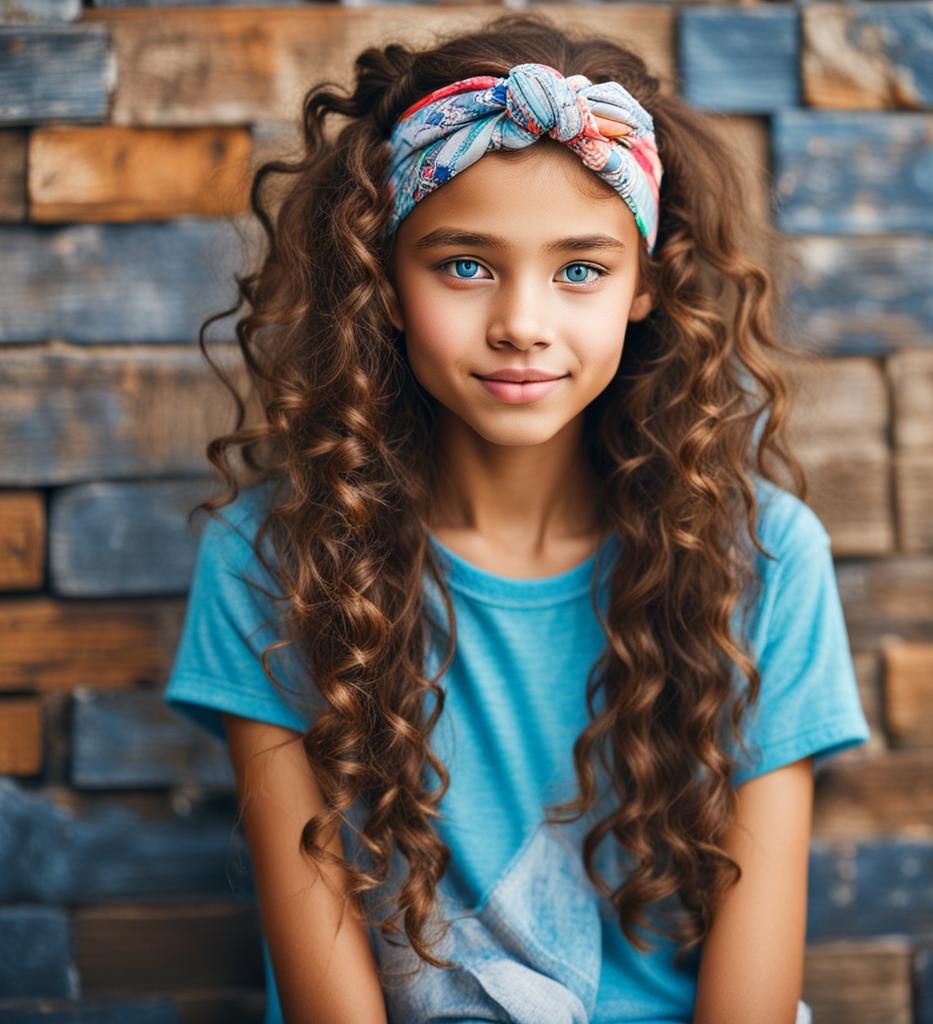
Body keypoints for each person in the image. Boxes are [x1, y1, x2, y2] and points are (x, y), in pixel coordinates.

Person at [163, 12, 869, 1024]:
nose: (522, 324)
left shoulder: (760, 559)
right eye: (465, 264)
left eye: (579, 268)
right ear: (385, 281)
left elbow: (749, 1000)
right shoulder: (274, 564)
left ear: (643, 288)